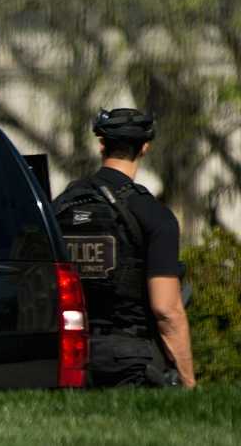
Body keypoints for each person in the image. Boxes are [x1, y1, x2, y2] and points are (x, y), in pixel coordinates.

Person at [53, 108, 195, 388]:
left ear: (102, 145)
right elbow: (166, 309)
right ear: (144, 148)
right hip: (129, 360)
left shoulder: (62, 204)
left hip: (65, 352)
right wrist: (188, 381)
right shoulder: (154, 215)